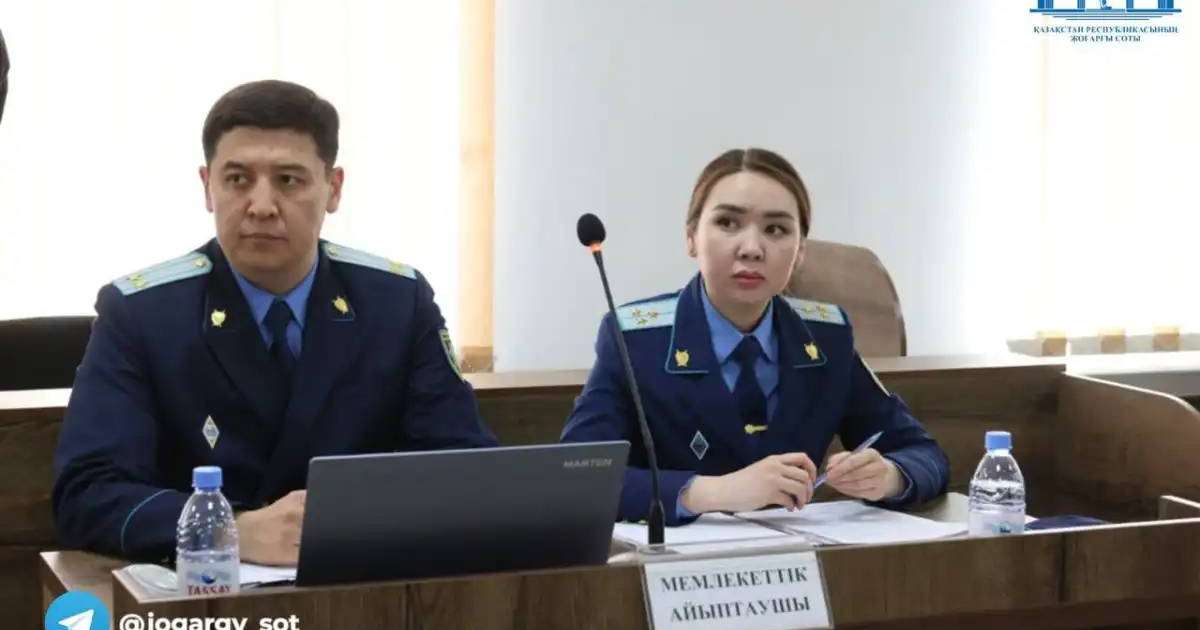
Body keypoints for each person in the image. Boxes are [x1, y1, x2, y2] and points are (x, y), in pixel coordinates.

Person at [53, 80, 496, 565]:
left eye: (289, 180)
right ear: (207, 187)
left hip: (366, 586)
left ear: (334, 188)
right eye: (238, 179)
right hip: (206, 600)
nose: (261, 206)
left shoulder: (395, 302)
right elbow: (88, 494)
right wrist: (228, 529)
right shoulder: (142, 314)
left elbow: (463, 468)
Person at [562, 148, 948, 524]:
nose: (751, 249)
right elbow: (580, 478)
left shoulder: (826, 336)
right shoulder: (634, 339)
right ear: (692, 237)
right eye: (728, 223)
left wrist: (889, 476)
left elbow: (923, 454)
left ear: (799, 253)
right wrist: (711, 492)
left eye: (776, 229)